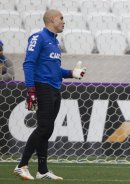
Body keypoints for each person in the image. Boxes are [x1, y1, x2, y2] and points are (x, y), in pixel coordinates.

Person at [13, 9, 86, 180]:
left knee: (48, 129)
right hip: (42, 87)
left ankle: (42, 170)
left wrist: (71, 73)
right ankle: (21, 165)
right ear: (52, 20)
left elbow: (54, 69)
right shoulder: (38, 37)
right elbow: (28, 64)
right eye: (61, 18)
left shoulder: (55, 42)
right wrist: (31, 90)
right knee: (44, 127)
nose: (63, 22)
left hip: (54, 88)